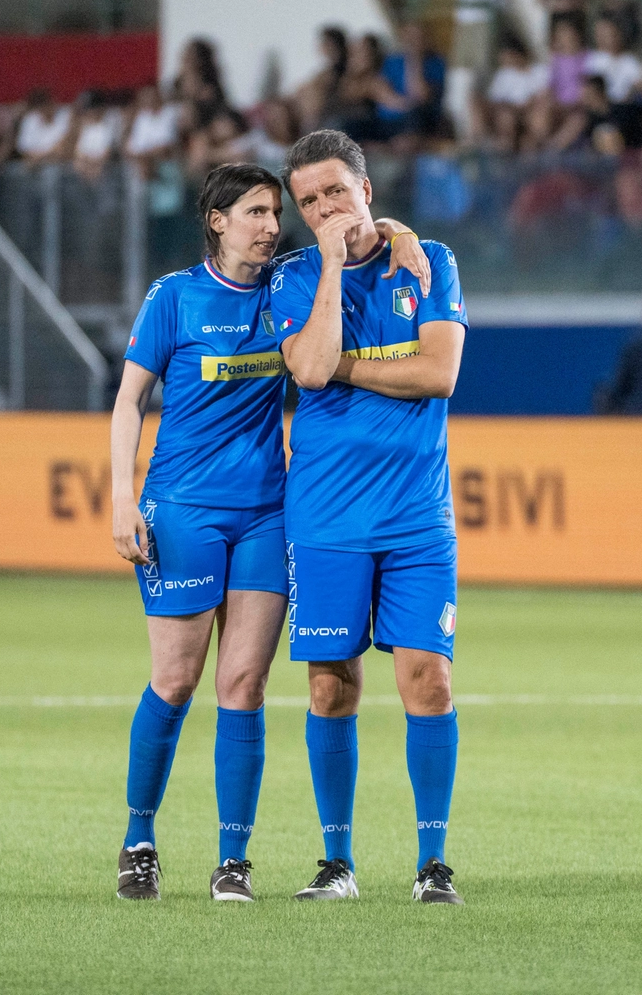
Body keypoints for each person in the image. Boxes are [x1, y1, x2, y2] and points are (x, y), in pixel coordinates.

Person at [111, 162, 431, 903]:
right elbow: (129, 402)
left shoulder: (292, 285)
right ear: (216, 221)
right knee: (176, 680)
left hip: (266, 512)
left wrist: (399, 230)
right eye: (253, 211)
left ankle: (233, 861)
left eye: (272, 211)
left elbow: (353, 234)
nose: (269, 224)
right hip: (182, 510)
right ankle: (139, 838)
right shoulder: (175, 297)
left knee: (245, 683)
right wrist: (120, 498)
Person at [272, 129, 468, 905]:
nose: (324, 210)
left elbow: (441, 372)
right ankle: (337, 863)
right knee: (331, 689)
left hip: (417, 517)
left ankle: (433, 864)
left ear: (367, 191)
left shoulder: (430, 262)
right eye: (308, 201)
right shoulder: (293, 279)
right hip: (323, 516)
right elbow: (309, 367)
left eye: (335, 194)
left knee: (430, 679)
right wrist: (329, 263)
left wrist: (351, 368)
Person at [16, 87, 73, 164]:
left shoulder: (66, 115)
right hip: (32, 161)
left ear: (52, 102)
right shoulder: (30, 118)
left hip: (57, 162)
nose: (44, 111)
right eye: (40, 109)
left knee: (50, 173)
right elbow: (24, 148)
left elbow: (62, 146)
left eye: (47, 106)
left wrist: (38, 158)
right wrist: (36, 158)